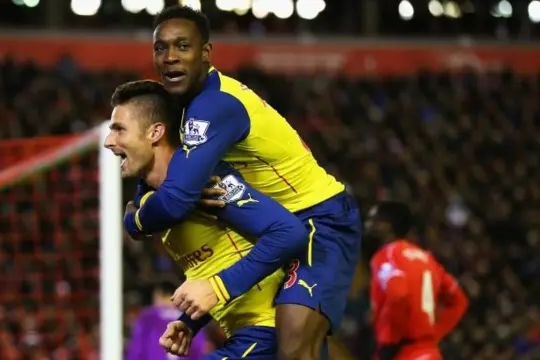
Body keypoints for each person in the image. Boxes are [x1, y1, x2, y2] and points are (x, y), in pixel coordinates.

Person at [123, 5, 362, 359]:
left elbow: (174, 199)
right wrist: (191, 321)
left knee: (294, 346)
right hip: (275, 222)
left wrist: (136, 219)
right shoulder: (182, 108)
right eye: (161, 48)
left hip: (319, 220)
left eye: (182, 46)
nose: (170, 57)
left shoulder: (215, 106)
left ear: (206, 53)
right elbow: (163, 181)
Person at [105, 80, 311, 359]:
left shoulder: (210, 184)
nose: (109, 141)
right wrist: (191, 321)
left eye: (119, 129)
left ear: (155, 132)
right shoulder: (157, 200)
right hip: (249, 336)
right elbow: (219, 260)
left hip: (275, 332)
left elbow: (290, 233)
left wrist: (216, 288)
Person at [365, 201, 469, 360]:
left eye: (374, 220)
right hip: (428, 353)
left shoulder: (386, 255)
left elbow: (398, 294)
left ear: (388, 226)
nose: (368, 224)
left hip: (403, 353)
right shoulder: (428, 260)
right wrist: (432, 335)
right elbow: (459, 300)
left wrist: (389, 344)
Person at [127, 280, 208, 360]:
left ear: (158, 294)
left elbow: (136, 350)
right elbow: (200, 349)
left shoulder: (147, 317)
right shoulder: (191, 319)